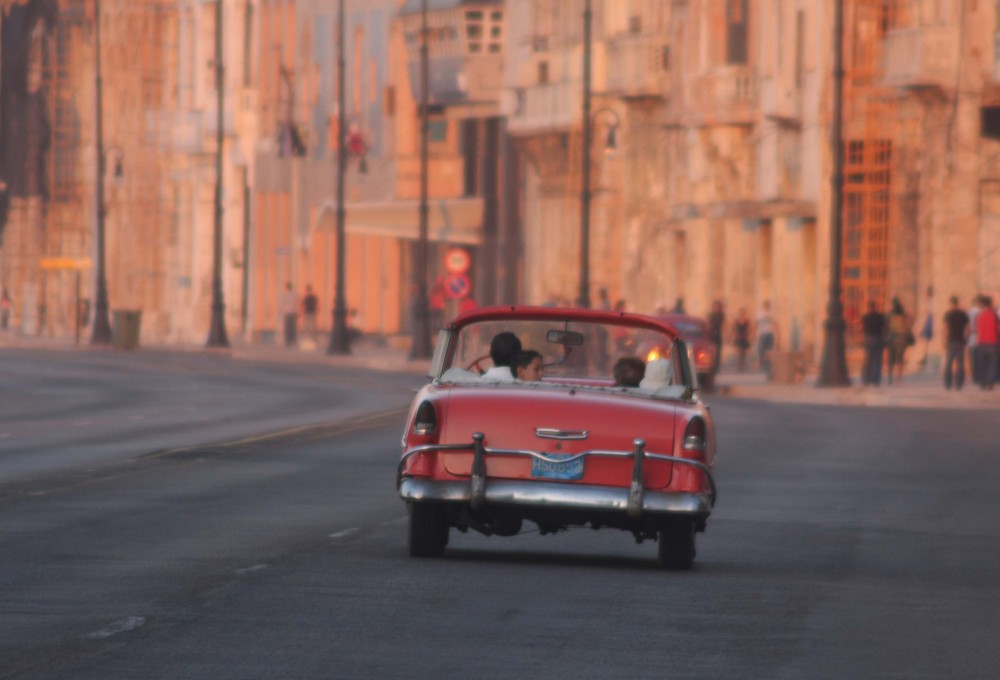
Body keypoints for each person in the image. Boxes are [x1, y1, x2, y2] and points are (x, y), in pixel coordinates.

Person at [942, 295, 970, 391]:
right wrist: (965, 339)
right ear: (957, 303)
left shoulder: (948, 314)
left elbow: (946, 328)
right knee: (960, 363)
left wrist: (944, 341)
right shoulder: (963, 314)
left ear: (951, 303)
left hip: (951, 340)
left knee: (949, 363)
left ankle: (948, 384)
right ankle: (959, 384)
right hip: (960, 341)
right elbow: (967, 328)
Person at [886, 296, 912, 385]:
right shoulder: (903, 314)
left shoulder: (889, 314)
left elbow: (886, 324)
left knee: (891, 359)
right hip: (902, 337)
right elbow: (910, 320)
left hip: (892, 337)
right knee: (900, 359)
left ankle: (890, 377)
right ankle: (898, 379)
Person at [859, 300, 886, 386]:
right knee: (877, 360)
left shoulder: (865, 317)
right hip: (878, 338)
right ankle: (875, 380)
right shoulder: (880, 317)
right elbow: (884, 328)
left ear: (868, 307)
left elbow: (861, 328)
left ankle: (866, 379)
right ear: (875, 306)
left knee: (867, 360)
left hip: (868, 338)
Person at [976, 296, 998, 390]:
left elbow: (978, 329)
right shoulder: (994, 314)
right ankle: (990, 381)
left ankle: (982, 382)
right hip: (993, 342)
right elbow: (997, 328)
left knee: (982, 363)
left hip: (982, 342)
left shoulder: (980, 315)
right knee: (992, 363)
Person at [755, 300, 778, 377]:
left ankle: (768, 371)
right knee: (761, 350)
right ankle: (763, 365)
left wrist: (776, 335)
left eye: (767, 305)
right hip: (762, 334)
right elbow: (756, 324)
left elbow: (775, 324)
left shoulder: (772, 314)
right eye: (765, 305)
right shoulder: (760, 313)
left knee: (769, 353)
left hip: (770, 334)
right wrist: (756, 334)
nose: (766, 306)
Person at [968, 295, 983, 387]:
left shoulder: (969, 312)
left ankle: (975, 377)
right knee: (982, 360)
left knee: (973, 359)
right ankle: (980, 377)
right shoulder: (981, 311)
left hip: (971, 338)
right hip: (981, 339)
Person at [707, 300, 724, 375]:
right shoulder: (711, 315)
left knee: (718, 351)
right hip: (711, 334)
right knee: (711, 352)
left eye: (718, 307)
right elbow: (707, 323)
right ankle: (711, 366)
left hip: (718, 335)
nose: (717, 308)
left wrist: (725, 333)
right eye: (716, 306)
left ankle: (717, 367)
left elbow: (724, 324)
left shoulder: (722, 315)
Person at [732, 307, 751, 372]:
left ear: (745, 314)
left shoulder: (747, 321)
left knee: (744, 353)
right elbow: (733, 328)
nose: (742, 314)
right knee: (738, 352)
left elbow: (750, 329)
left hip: (744, 338)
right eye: (741, 313)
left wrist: (748, 333)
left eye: (743, 313)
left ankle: (742, 365)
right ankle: (739, 366)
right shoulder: (736, 321)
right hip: (738, 337)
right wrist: (734, 335)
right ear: (739, 314)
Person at [280, 282, 297, 347]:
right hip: (293, 312)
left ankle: (287, 341)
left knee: (287, 328)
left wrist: (281, 311)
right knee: (293, 327)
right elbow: (297, 302)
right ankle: (293, 340)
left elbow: (282, 304)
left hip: (287, 312)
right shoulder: (294, 294)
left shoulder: (285, 294)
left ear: (286, 287)